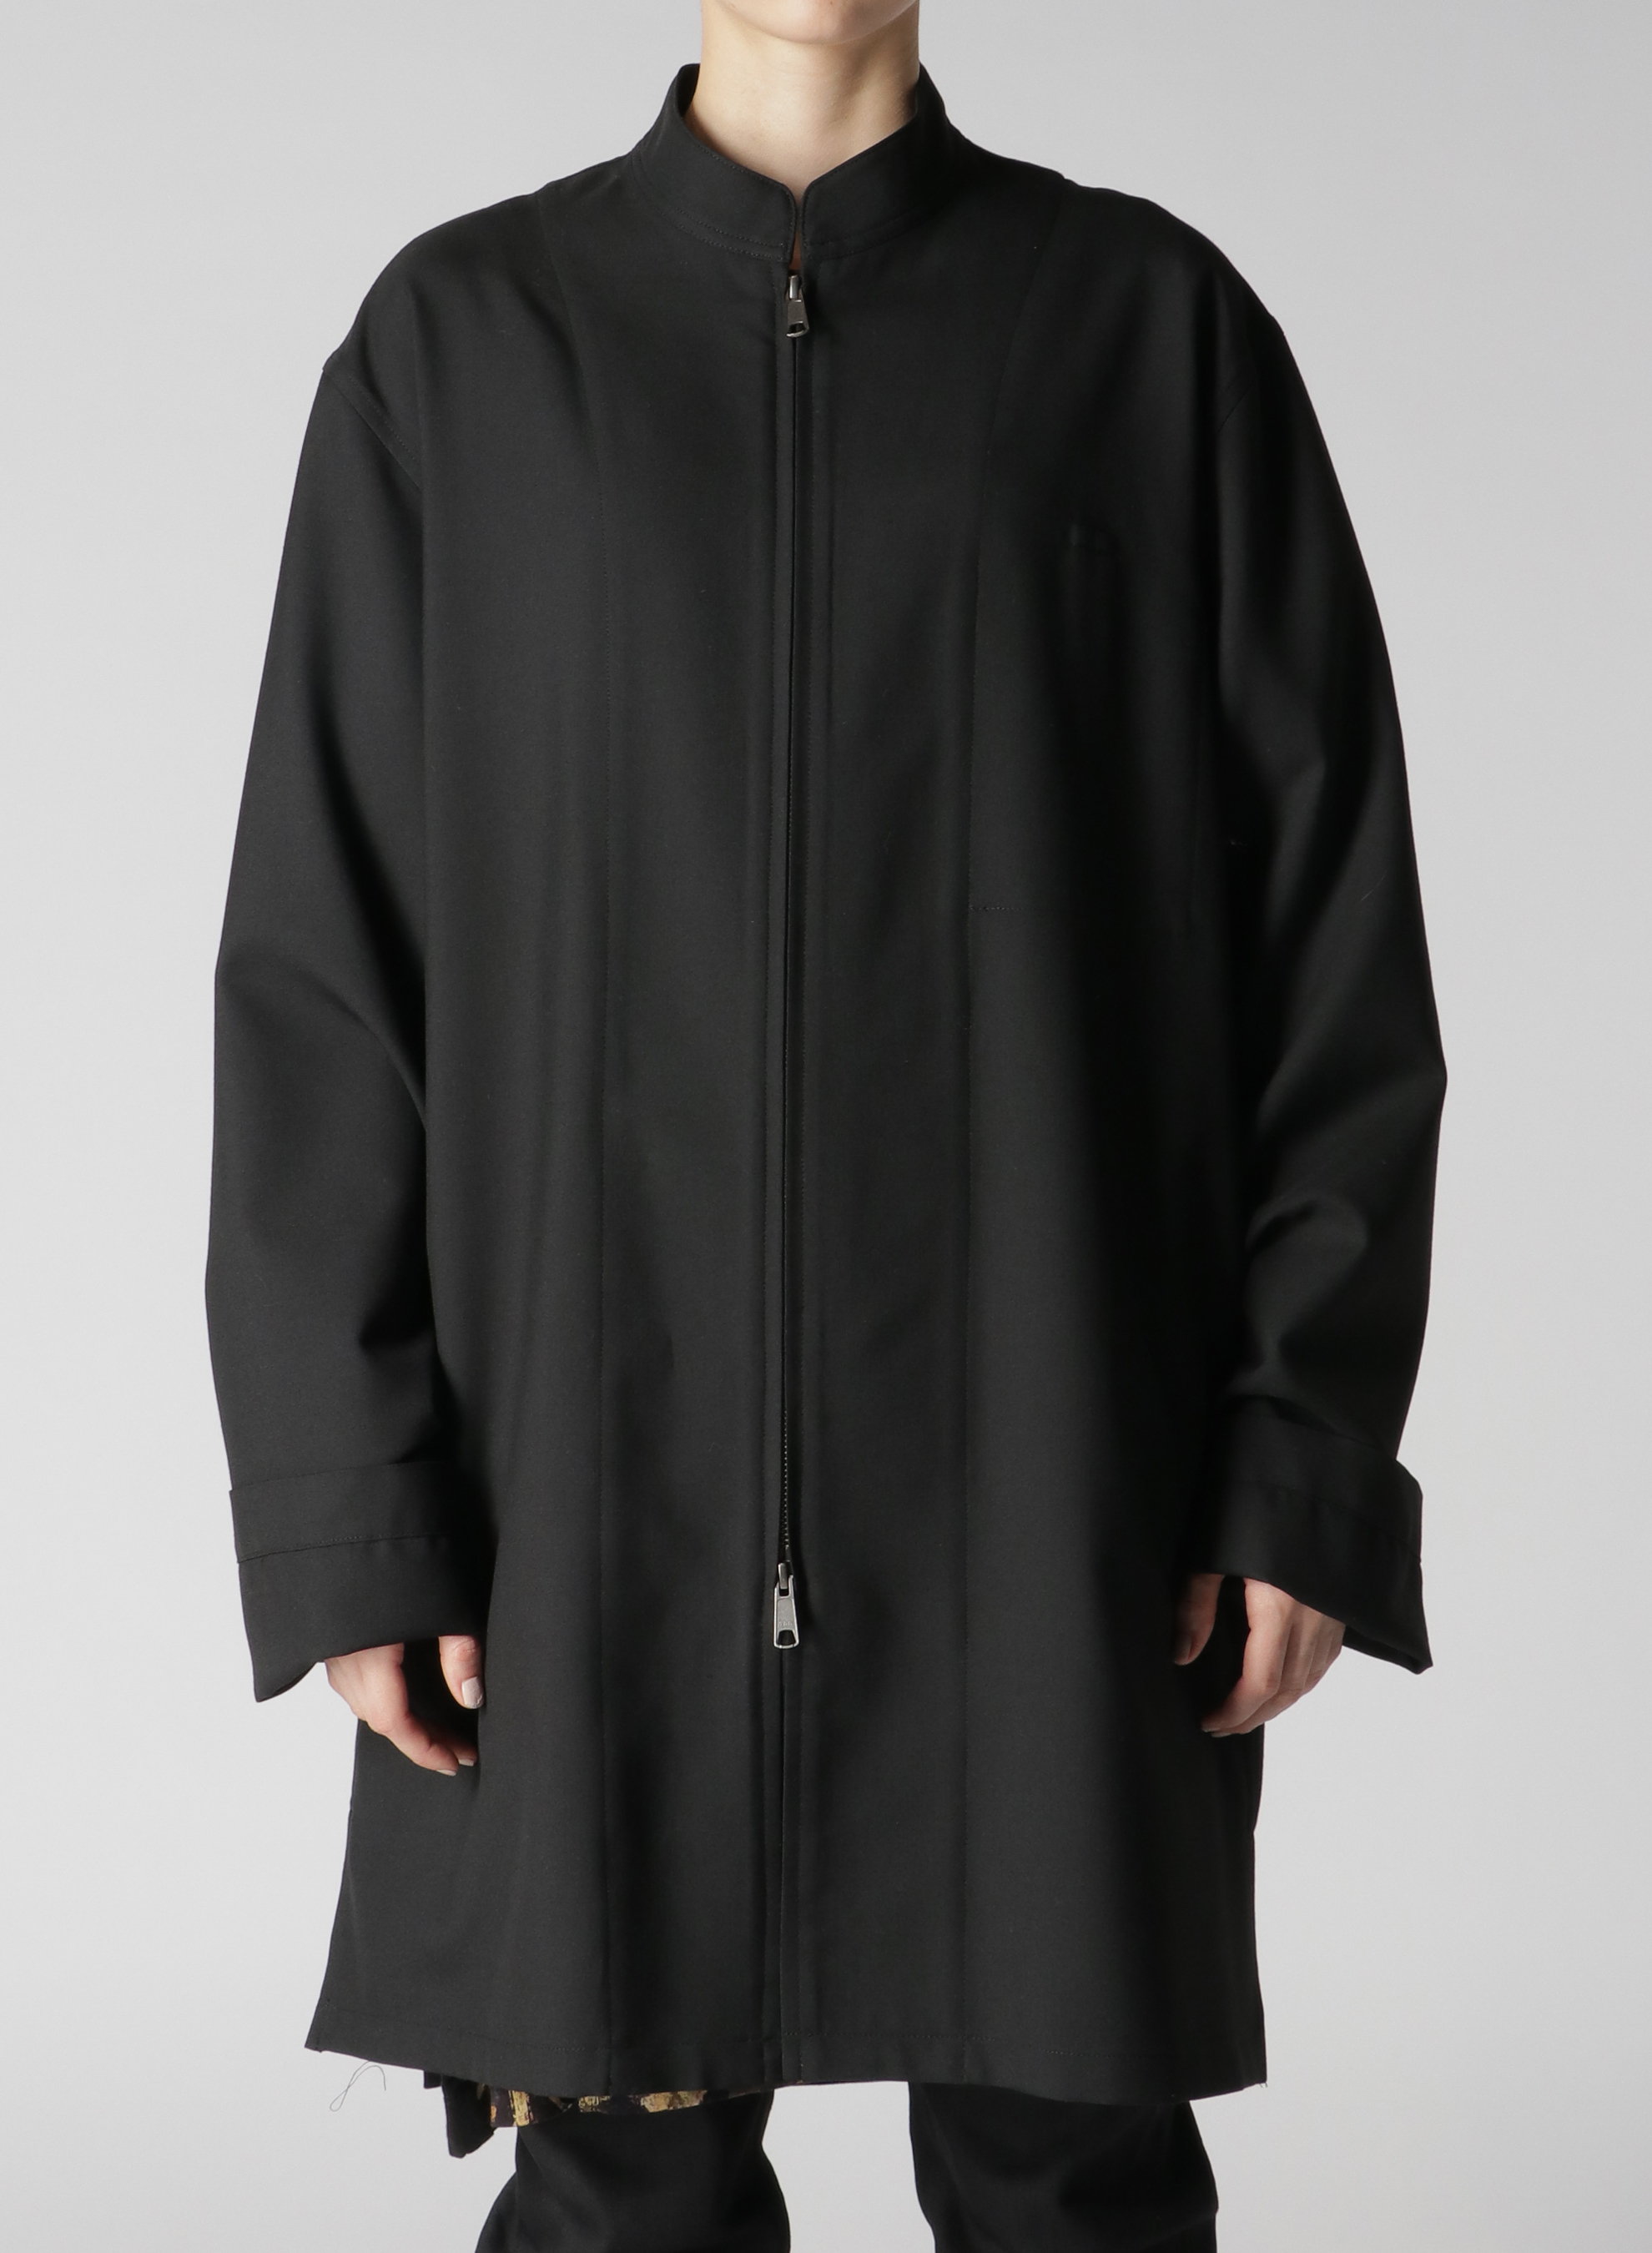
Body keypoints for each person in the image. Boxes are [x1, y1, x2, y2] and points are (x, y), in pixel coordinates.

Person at [206, 1, 1445, 2245]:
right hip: (583, 1487)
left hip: (1058, 1476)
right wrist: (349, 1507)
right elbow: (324, 968)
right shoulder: (460, 346)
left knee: (1070, 2169)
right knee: (617, 2171)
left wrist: (1299, 1450)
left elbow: (1329, 945)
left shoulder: (1148, 331)